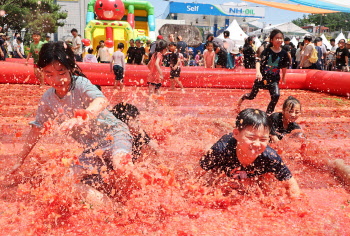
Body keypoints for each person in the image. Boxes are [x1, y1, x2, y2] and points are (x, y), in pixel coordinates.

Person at [6, 41, 135, 208]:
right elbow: (36, 130)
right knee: (67, 183)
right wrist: (19, 161)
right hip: (94, 148)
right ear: (41, 72)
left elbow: (101, 100)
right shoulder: (47, 99)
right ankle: (116, 210)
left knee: (121, 166)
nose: (56, 80)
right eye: (49, 74)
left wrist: (84, 116)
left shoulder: (80, 84)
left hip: (115, 134)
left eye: (61, 72)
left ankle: (147, 198)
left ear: (71, 69)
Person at [199, 108, 300, 198]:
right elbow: (196, 176)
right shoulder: (221, 150)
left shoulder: (270, 157)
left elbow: (291, 184)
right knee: (211, 173)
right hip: (224, 158)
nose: (257, 144)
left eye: (263, 139)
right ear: (236, 134)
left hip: (250, 168)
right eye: (251, 138)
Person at [237, 29, 289, 115]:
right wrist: (258, 73)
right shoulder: (267, 51)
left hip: (274, 79)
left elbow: (284, 66)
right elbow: (258, 62)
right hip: (262, 78)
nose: (279, 40)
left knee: (276, 96)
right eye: (277, 38)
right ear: (272, 40)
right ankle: (242, 99)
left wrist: (283, 77)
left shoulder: (284, 53)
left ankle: (268, 114)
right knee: (251, 96)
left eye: (281, 38)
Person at [146, 39, 168, 107]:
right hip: (156, 77)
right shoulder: (160, 55)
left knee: (150, 93)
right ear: (164, 49)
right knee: (157, 93)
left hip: (151, 76)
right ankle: (155, 108)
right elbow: (156, 64)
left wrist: (152, 71)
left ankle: (147, 107)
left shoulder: (154, 54)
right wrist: (161, 74)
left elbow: (148, 65)